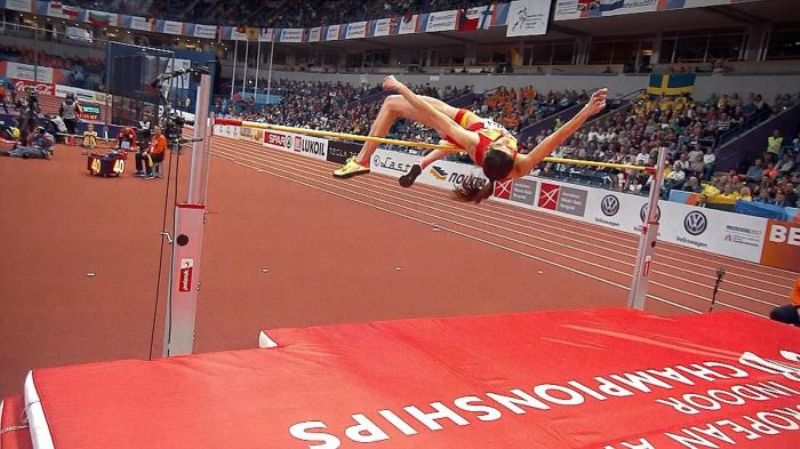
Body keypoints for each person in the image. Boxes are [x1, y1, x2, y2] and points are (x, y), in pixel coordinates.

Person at [333, 76, 607, 203]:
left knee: (393, 103)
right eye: (504, 144)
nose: (503, 139)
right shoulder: (522, 164)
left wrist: (401, 86)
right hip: (462, 123)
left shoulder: (475, 142)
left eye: (499, 142)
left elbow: (430, 113)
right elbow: (558, 136)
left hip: (460, 121)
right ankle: (422, 163)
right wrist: (586, 110)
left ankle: (362, 161)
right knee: (447, 143)